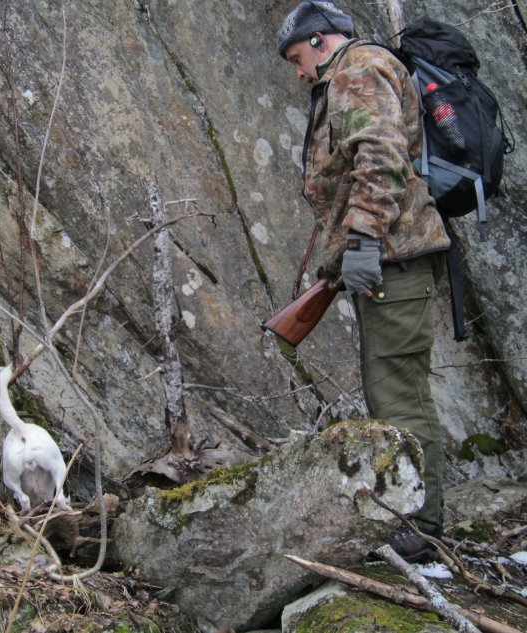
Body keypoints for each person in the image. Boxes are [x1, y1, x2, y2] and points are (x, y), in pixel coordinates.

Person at [276, 1, 451, 563]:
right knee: (388, 389)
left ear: (322, 41)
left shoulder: (357, 68)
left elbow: (379, 156)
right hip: (384, 259)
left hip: (393, 258)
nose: (299, 72)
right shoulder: (352, 72)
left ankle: (421, 528)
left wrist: (365, 240)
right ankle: (408, 516)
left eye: (298, 58)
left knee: (399, 392)